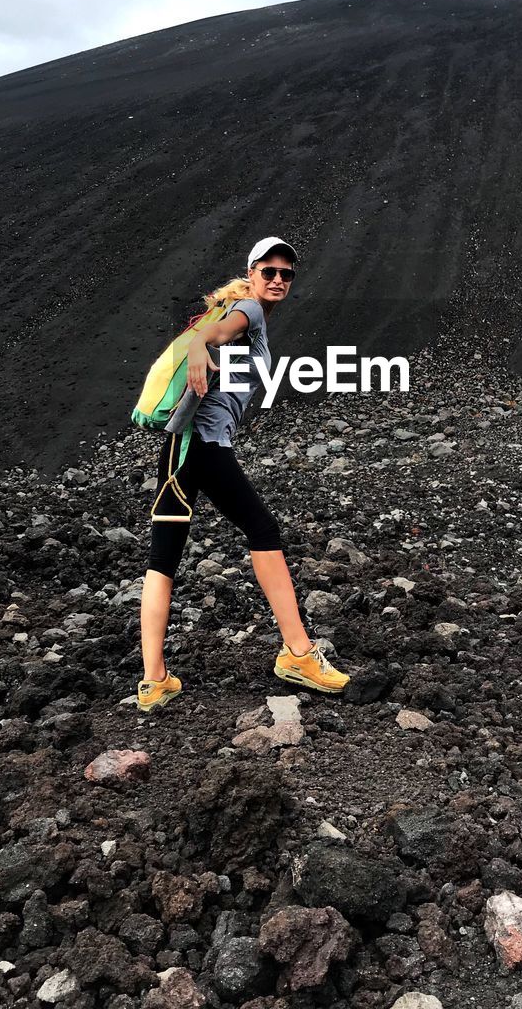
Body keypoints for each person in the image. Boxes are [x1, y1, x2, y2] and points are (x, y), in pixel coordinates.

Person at [137, 236, 350, 711]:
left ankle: (154, 681)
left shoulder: (235, 312)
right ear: (252, 272)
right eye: (269, 271)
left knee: (164, 555)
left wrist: (202, 342)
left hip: (178, 445)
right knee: (263, 529)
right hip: (205, 447)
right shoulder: (247, 311)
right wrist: (198, 343)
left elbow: (215, 345)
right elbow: (213, 336)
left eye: (286, 274)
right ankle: (298, 653)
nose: (277, 280)